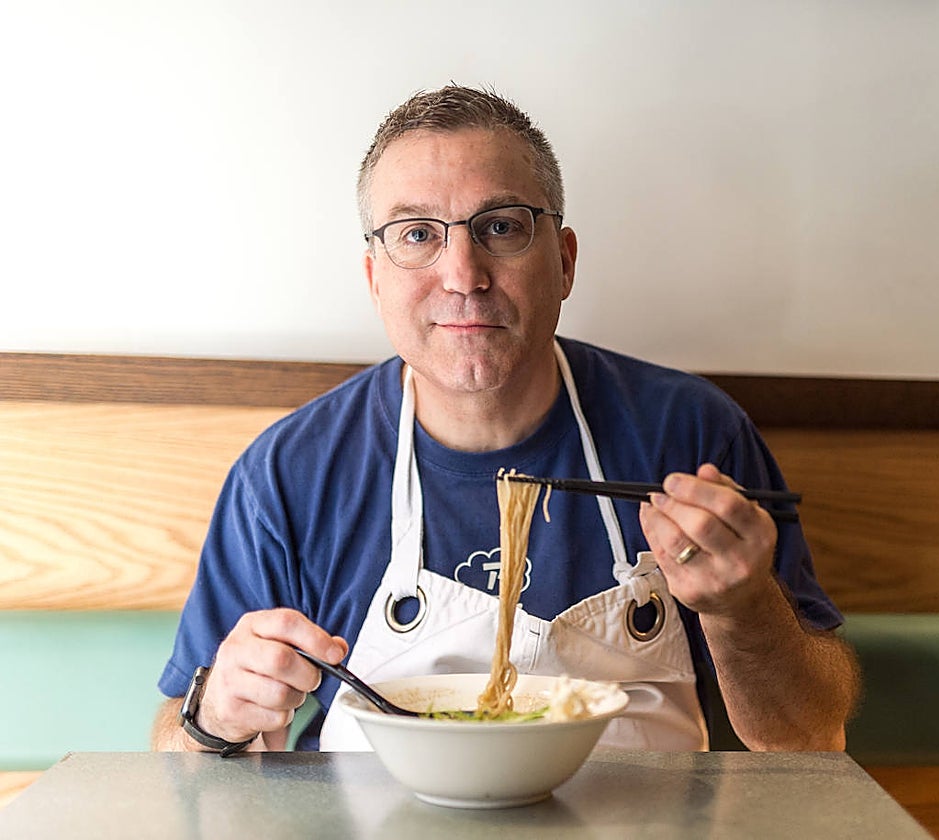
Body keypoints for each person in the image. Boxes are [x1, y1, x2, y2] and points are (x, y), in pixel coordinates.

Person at [151, 84, 860, 755]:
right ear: (374, 280)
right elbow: (175, 753)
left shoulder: (691, 434)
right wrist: (214, 718)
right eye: (417, 234)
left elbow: (810, 737)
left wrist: (743, 609)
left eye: (500, 227)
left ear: (564, 261)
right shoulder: (290, 473)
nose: (464, 274)